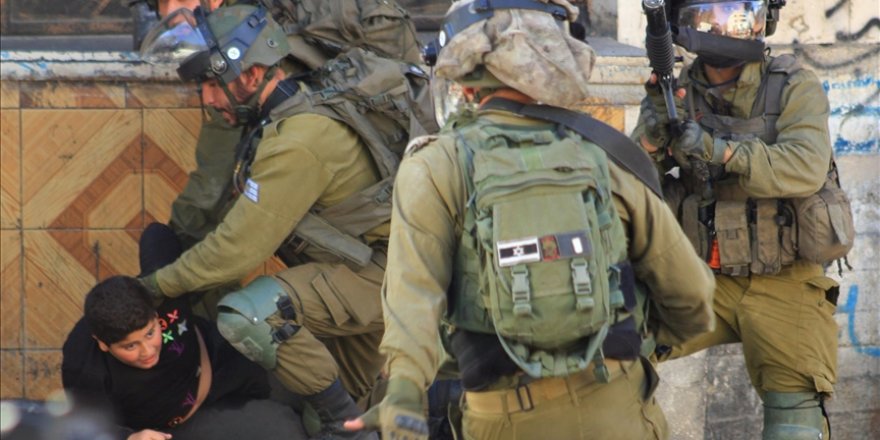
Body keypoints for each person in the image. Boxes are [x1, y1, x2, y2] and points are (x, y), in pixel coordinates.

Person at [344, 1, 716, 438]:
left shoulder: (436, 165)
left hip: (505, 419)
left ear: (464, 75)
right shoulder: (599, 153)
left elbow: (413, 299)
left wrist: (405, 393)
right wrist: (625, 342)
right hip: (619, 408)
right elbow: (693, 297)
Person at [134, 5, 428, 438]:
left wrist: (152, 287)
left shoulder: (298, 140)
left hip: (384, 278)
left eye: (214, 84)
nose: (209, 99)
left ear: (253, 74)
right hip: (372, 270)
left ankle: (346, 429)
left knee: (253, 316)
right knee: (339, 404)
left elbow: (235, 250)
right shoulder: (286, 112)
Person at [633, 1, 851, 438]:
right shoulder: (677, 92)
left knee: (795, 426)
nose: (724, 25)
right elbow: (628, 187)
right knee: (616, 351)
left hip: (785, 279)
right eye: (709, 15)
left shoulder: (792, 85)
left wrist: (720, 151)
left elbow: (806, 166)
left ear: (763, 20)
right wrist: (651, 141)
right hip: (700, 279)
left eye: (738, 13)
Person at [62, 235, 306, 440]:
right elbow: (86, 425)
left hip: (220, 358)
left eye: (150, 333)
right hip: (181, 425)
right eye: (130, 346)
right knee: (285, 431)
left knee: (304, 387)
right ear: (103, 343)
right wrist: (128, 437)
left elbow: (157, 234)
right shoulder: (82, 364)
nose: (148, 351)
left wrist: (159, 276)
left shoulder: (162, 287)